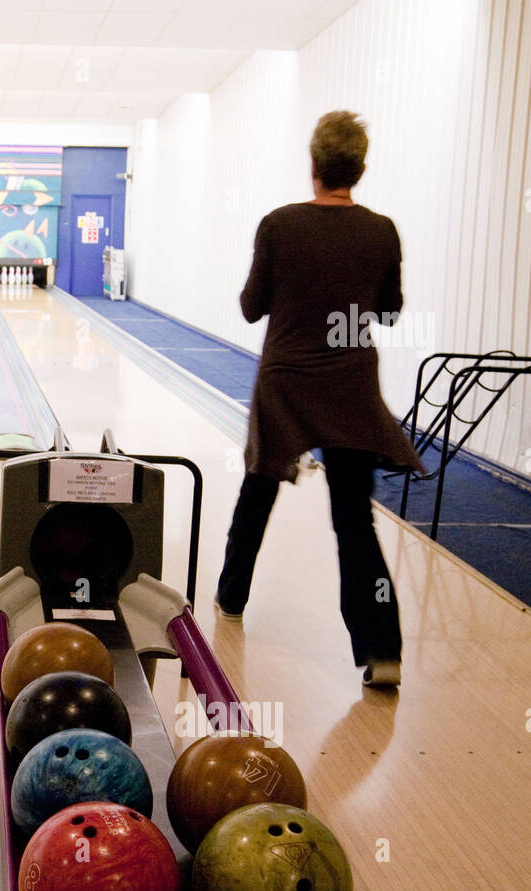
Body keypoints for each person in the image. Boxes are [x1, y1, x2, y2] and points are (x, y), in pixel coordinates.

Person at [214, 111, 423, 690]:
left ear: (313, 167)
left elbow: (252, 306)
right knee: (353, 518)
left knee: (258, 491)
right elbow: (388, 312)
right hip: (351, 384)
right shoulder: (382, 231)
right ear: (359, 168)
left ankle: (230, 599)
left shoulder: (279, 225)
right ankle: (382, 651)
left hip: (286, 383)